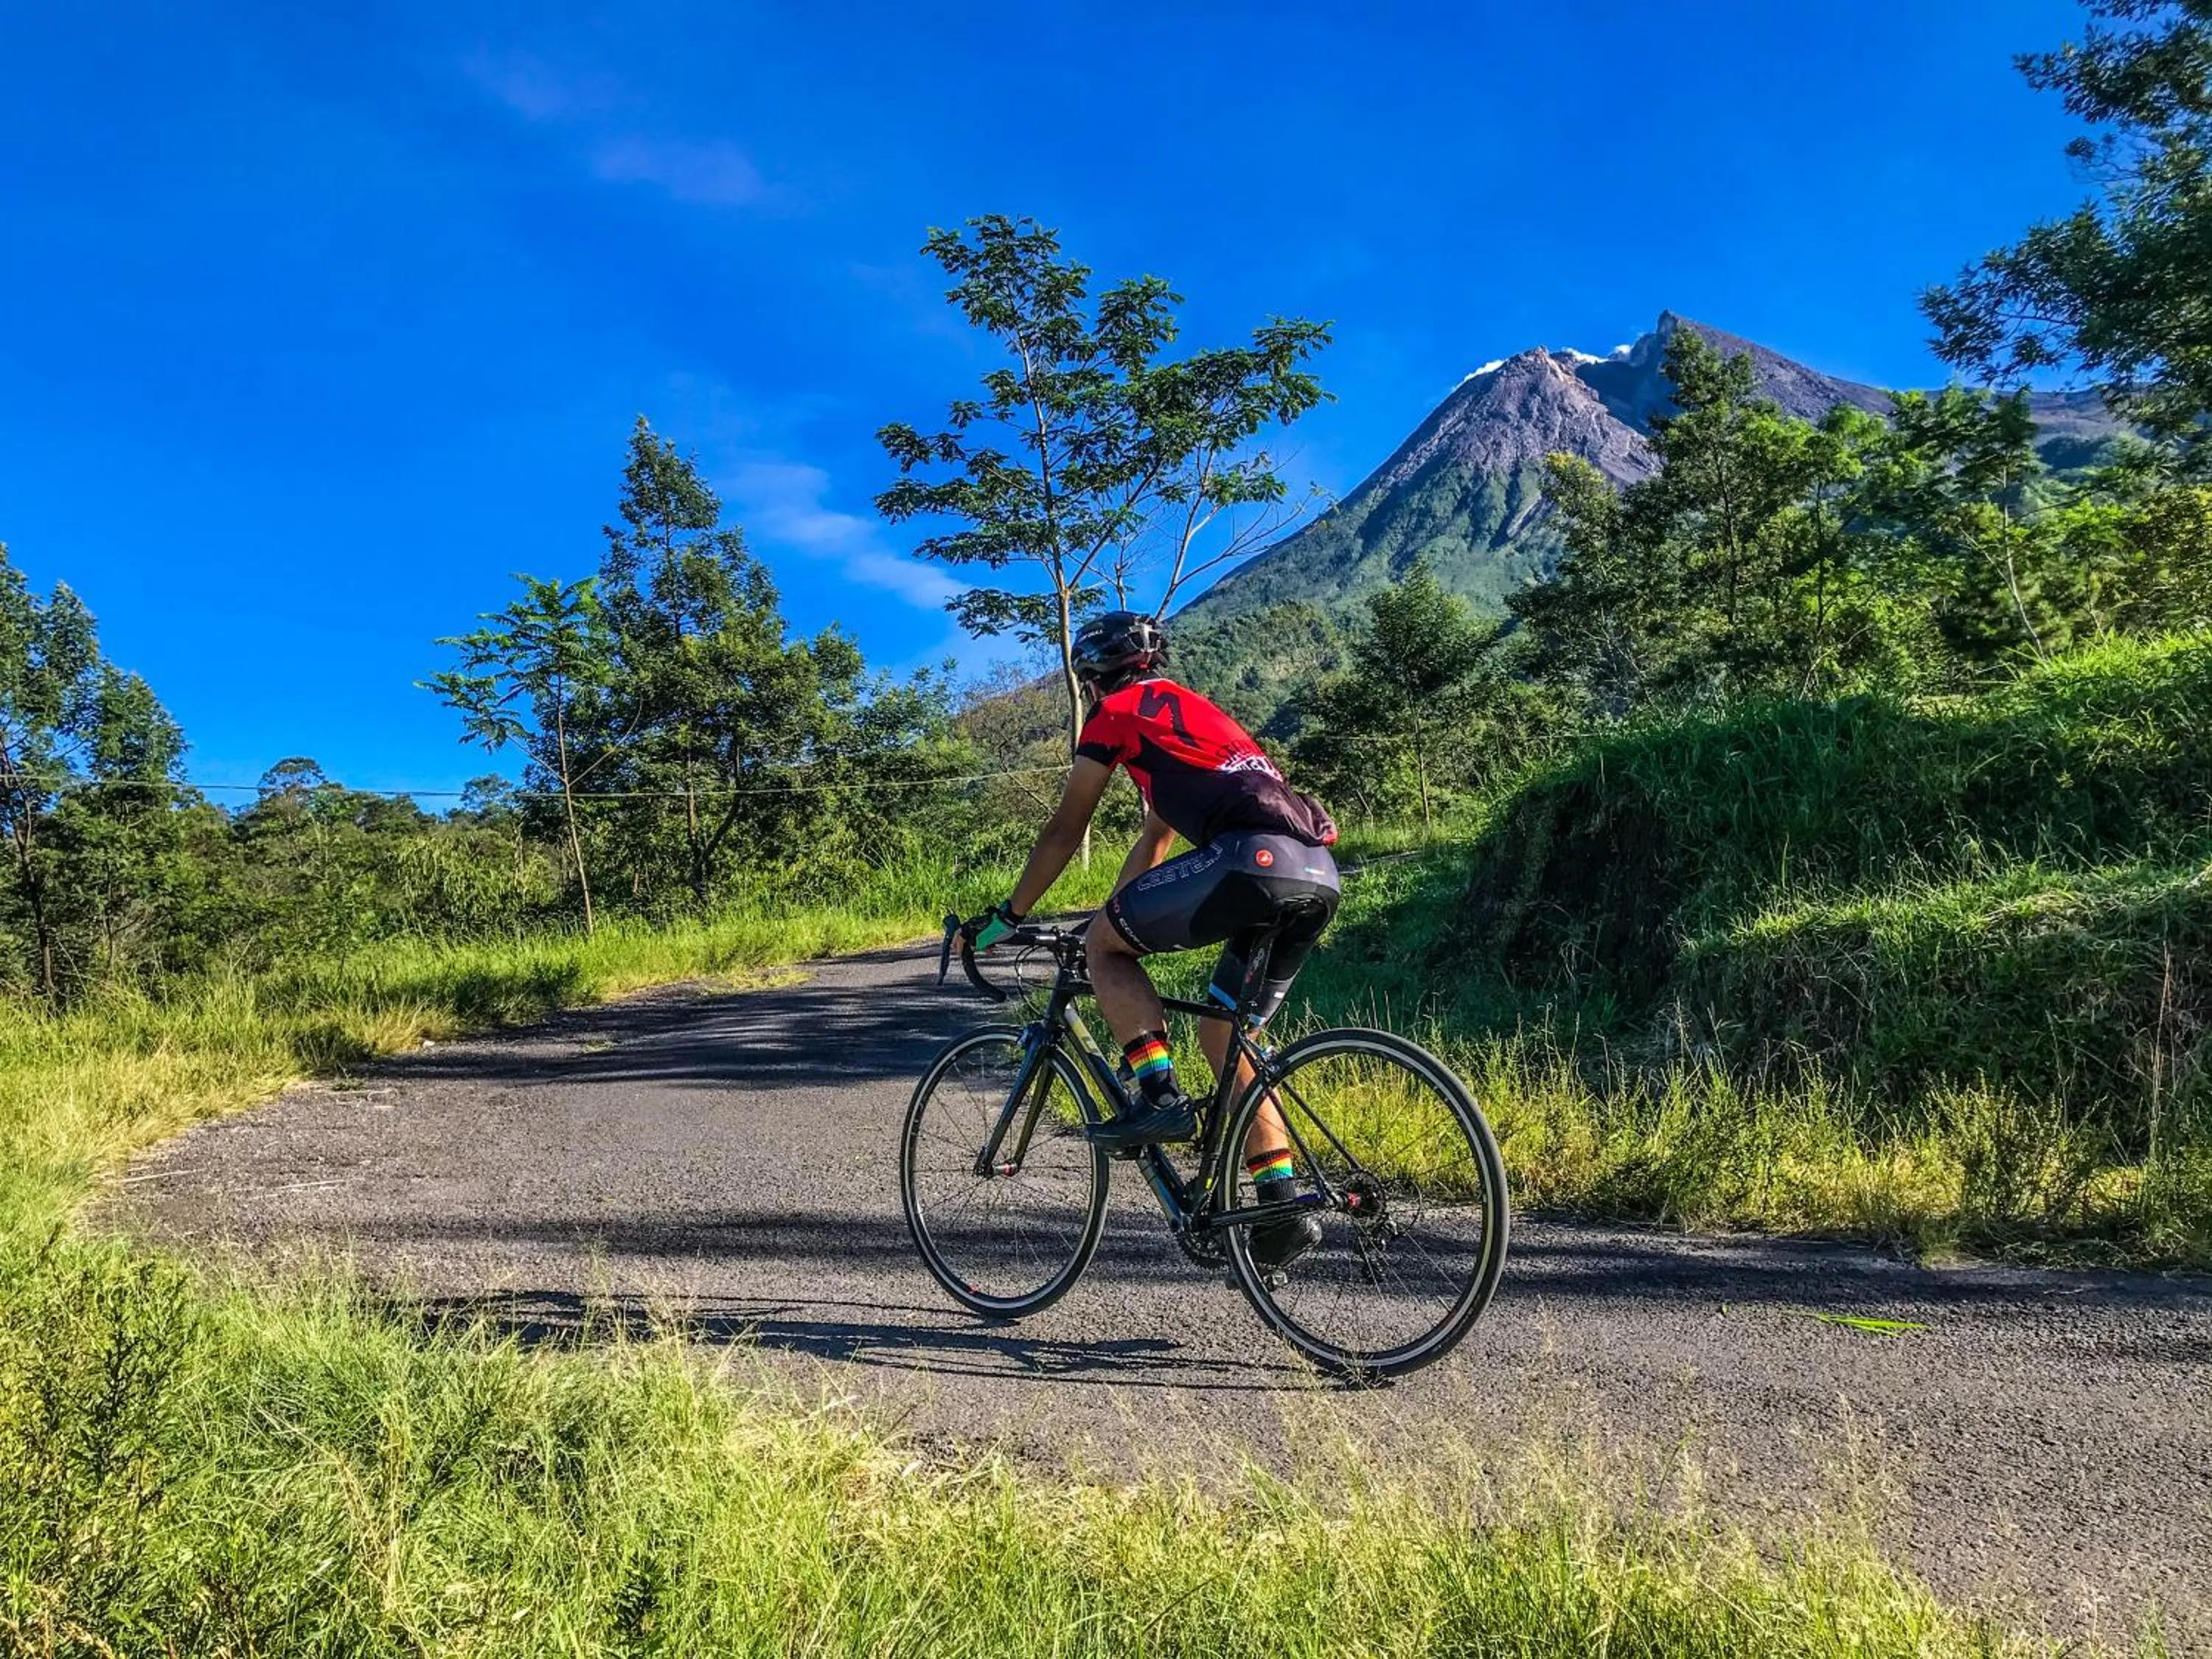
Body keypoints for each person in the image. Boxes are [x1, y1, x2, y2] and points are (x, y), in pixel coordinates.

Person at [961, 610, 1342, 1268]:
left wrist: (1010, 917)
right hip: (1316, 872)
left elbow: (1064, 829)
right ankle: (1280, 1202)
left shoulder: (1116, 714)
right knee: (1226, 1029)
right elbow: (1155, 840)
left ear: (1092, 678)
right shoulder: (1192, 720)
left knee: (1105, 949)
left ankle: (1159, 1097)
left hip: (1250, 861)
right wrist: (1111, 914)